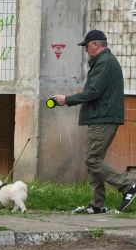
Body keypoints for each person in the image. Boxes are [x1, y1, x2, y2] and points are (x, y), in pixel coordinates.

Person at [53, 29, 136, 214]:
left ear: (95, 45)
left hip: (103, 118)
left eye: (86, 46)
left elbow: (93, 92)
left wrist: (67, 100)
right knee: (93, 160)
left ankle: (128, 186)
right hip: (101, 117)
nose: (85, 50)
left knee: (92, 159)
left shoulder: (105, 63)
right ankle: (97, 205)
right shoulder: (104, 62)